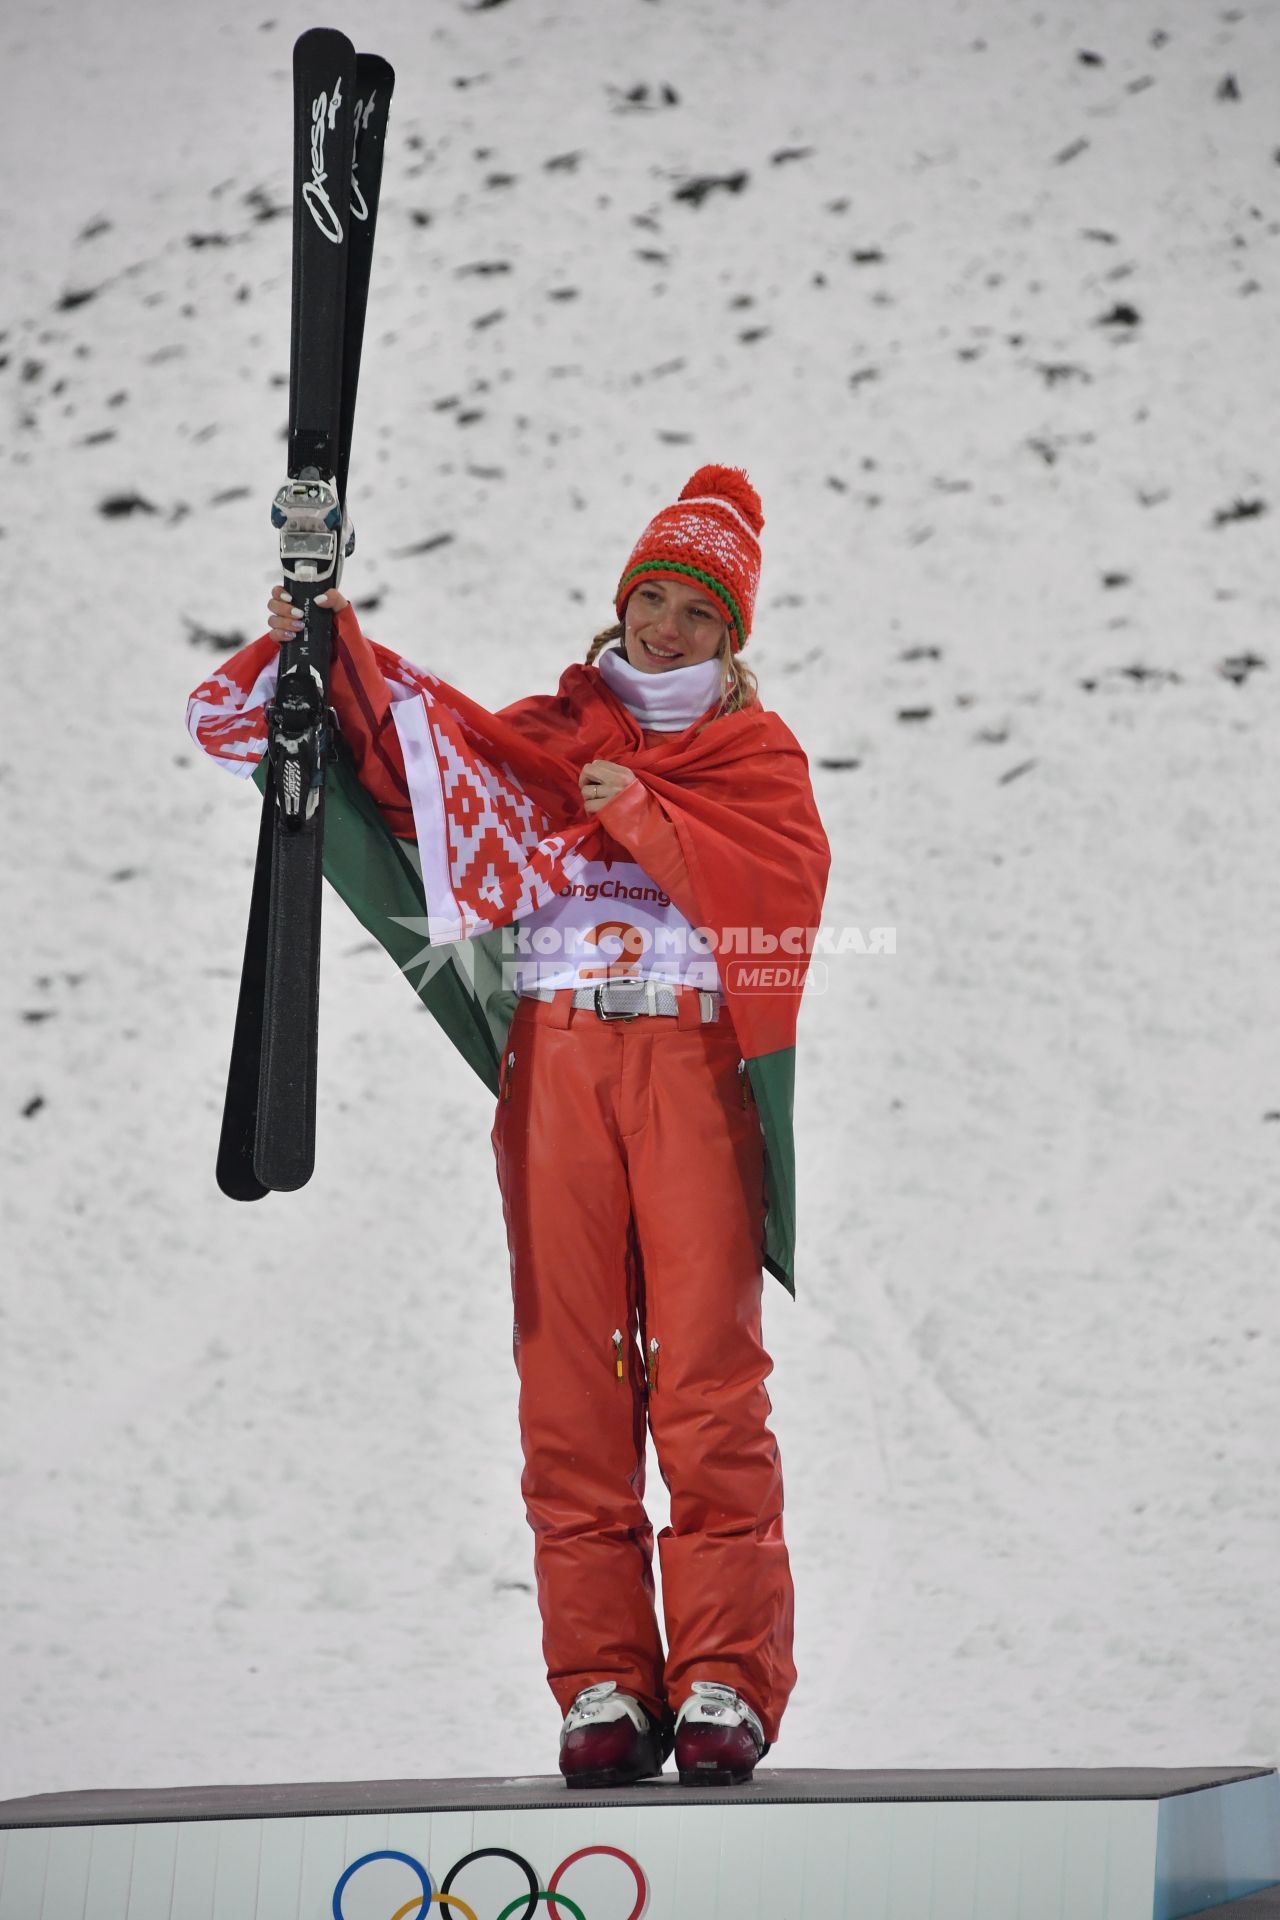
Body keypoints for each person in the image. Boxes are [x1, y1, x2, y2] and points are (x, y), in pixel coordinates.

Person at [188, 464, 830, 1789]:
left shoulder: (753, 757)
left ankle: (724, 1678)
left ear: (733, 635)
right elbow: (419, 759)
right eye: (650, 599)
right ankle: (600, 1678)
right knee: (569, 1374)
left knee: (707, 1370)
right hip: (558, 1063)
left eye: (696, 613)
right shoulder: (552, 728)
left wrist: (645, 813)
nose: (665, 629)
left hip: (688, 1059)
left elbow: (784, 889)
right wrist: (327, 639)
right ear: (621, 604)